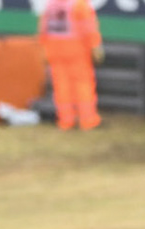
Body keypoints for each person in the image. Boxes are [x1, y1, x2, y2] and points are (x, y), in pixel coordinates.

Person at [38, 0, 101, 131]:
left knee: (61, 86)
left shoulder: (51, 4)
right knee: (83, 84)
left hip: (54, 49)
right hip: (76, 50)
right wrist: (95, 46)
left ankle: (66, 120)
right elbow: (88, 27)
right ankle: (88, 120)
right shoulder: (79, 4)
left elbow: (43, 27)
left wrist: (43, 48)